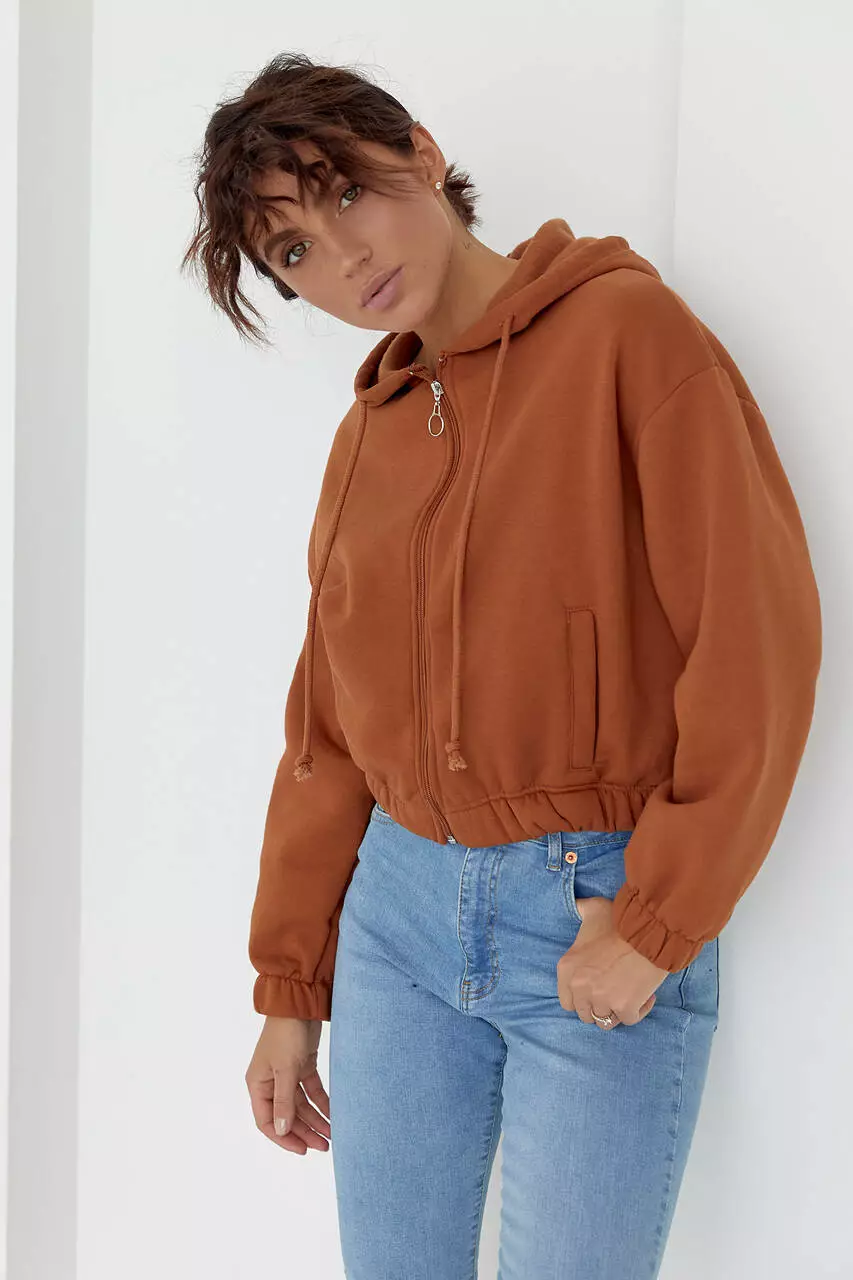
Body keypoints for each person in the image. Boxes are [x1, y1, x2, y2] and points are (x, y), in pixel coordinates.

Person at [181, 51, 823, 1279]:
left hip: (589, 905)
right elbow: (327, 732)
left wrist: (658, 919)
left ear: (420, 153)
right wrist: (290, 983)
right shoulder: (366, 437)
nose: (344, 256)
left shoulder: (627, 332)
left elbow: (755, 638)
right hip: (396, 924)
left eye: (347, 192)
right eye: (296, 251)